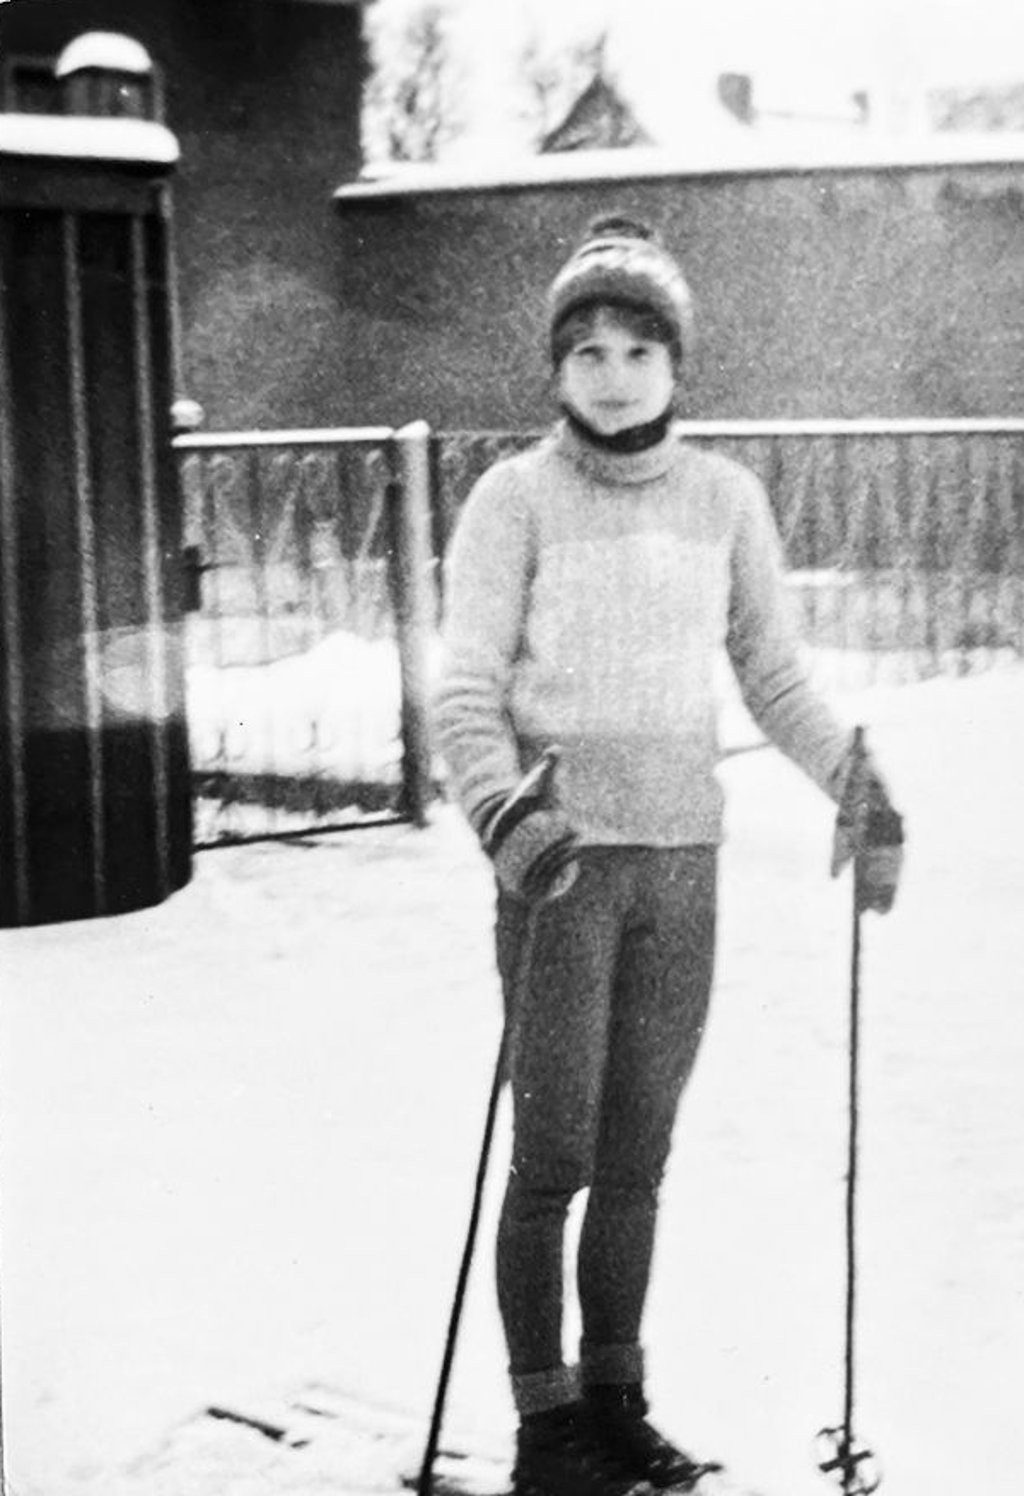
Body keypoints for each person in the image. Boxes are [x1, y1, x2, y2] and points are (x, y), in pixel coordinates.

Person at [432, 215, 904, 1496]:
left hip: (681, 867)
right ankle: (545, 1427)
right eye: (585, 347)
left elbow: (771, 670)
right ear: (554, 368)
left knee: (637, 1155)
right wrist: (502, 813)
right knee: (554, 1159)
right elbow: (465, 689)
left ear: (676, 364)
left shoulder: (725, 501)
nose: (613, 370)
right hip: (561, 872)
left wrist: (855, 782)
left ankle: (616, 1397)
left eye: (638, 346)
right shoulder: (512, 498)